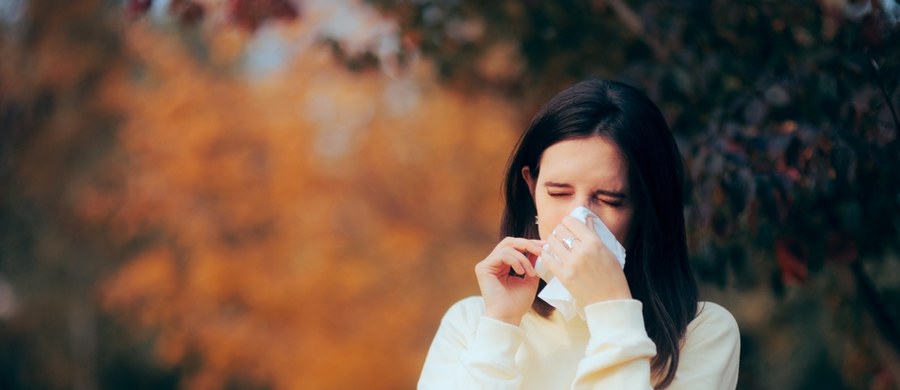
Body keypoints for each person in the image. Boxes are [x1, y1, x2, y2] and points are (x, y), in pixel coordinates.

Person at [418, 80, 740, 389]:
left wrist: (612, 310)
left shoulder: (702, 334)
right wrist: (500, 325)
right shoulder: (471, 324)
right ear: (532, 189)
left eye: (610, 199)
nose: (580, 219)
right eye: (559, 193)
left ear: (645, 207)